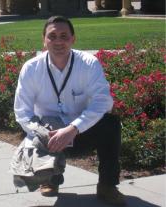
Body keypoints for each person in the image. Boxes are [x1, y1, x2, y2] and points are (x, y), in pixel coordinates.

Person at [12, 16, 125, 206]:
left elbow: (103, 102)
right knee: (36, 129)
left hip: (81, 132)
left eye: (64, 36)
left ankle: (107, 186)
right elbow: (22, 112)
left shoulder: (89, 63)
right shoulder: (31, 68)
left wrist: (73, 128)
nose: (58, 41)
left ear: (73, 39)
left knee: (111, 125)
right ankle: (50, 179)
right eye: (52, 36)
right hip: (49, 135)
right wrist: (44, 133)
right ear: (44, 40)